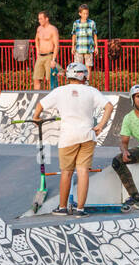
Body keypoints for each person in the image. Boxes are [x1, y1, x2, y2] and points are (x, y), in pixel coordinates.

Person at [32, 62, 114, 216]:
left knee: (66, 173)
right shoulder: (91, 91)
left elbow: (40, 104)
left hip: (68, 137)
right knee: (83, 172)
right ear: (83, 75)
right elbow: (109, 106)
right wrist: (101, 125)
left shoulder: (59, 91)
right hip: (88, 135)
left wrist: (36, 117)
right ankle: (80, 209)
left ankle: (62, 207)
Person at [31, 11, 59, 90]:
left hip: (49, 56)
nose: (39, 21)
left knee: (50, 79)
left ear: (46, 19)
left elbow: (57, 46)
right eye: (38, 19)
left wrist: (53, 59)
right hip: (40, 57)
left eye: (41, 19)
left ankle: (52, 100)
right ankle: (37, 99)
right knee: (36, 79)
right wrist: (37, 50)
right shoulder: (39, 28)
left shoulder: (53, 29)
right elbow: (36, 39)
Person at [71, 4, 98, 79]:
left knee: (88, 67)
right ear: (80, 14)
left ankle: (87, 82)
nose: (86, 15)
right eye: (84, 13)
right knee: (78, 67)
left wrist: (96, 47)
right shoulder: (76, 23)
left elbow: (95, 35)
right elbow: (74, 35)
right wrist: (72, 46)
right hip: (78, 48)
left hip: (89, 48)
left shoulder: (92, 23)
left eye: (87, 13)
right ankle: (79, 82)